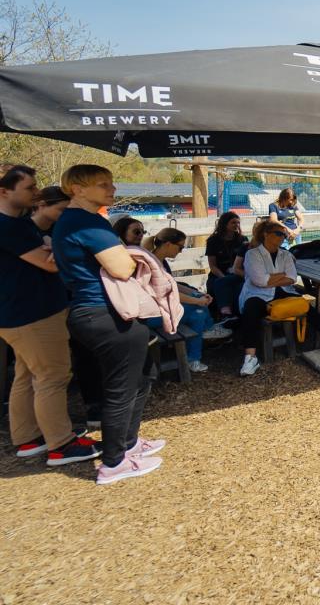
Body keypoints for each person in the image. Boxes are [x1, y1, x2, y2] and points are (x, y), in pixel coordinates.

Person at [52, 164, 161, 485]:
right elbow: (122, 268)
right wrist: (131, 256)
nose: (112, 189)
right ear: (77, 189)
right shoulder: (86, 222)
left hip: (98, 312)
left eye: (111, 183)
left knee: (140, 379)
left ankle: (128, 443)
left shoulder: (76, 221)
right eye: (103, 184)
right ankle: (114, 462)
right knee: (121, 390)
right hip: (104, 312)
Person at [1, 164, 99, 468]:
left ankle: (28, 437)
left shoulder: (19, 223)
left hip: (20, 314)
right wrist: (60, 250)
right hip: (33, 314)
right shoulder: (10, 227)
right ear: (4, 191)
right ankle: (61, 444)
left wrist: (51, 247)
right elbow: (50, 263)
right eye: (29, 187)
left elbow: (46, 252)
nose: (36, 192)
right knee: (53, 376)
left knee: (27, 374)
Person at [237, 220, 320, 376]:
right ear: (266, 234)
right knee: (250, 310)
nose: (283, 237)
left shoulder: (286, 254)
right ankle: (250, 358)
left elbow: (292, 278)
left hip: (282, 291)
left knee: (306, 307)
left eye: (284, 234)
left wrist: (271, 278)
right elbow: (259, 281)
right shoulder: (252, 254)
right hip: (257, 294)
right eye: (279, 233)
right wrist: (279, 276)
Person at [142, 228, 226, 372]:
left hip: (161, 310)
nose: (181, 251)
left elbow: (172, 285)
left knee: (197, 314)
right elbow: (168, 293)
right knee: (198, 310)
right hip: (151, 316)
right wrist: (197, 301)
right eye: (180, 247)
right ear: (168, 244)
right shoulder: (151, 264)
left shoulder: (159, 261)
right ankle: (205, 334)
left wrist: (195, 293)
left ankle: (195, 356)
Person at [205, 211, 248, 319]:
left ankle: (235, 313)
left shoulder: (242, 240)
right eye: (233, 222)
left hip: (237, 273)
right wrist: (224, 278)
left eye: (238, 223)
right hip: (218, 274)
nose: (236, 225)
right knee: (219, 283)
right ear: (224, 224)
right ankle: (223, 314)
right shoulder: (213, 241)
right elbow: (213, 266)